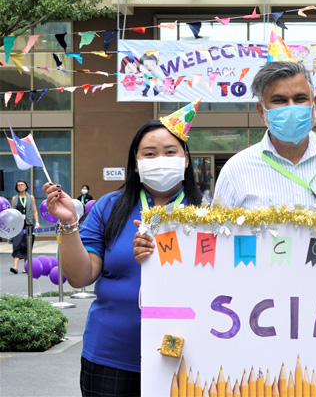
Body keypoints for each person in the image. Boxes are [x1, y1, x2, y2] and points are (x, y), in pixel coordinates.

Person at [43, 115, 202, 397]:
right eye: (149, 154)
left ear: (186, 159)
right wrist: (68, 223)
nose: (160, 159)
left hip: (190, 354)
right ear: (137, 164)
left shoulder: (211, 213)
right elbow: (80, 277)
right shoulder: (109, 206)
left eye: (170, 152)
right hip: (111, 356)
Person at [213, 61, 316, 211]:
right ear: (261, 111)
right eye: (279, 100)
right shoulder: (234, 172)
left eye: (300, 99)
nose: (291, 108)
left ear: (314, 104)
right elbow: (217, 239)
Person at [9, 179, 40, 274]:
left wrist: (37, 222)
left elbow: (34, 210)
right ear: (16, 188)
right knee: (17, 244)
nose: (20, 186)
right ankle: (15, 267)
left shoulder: (31, 197)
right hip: (18, 225)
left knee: (27, 245)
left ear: (26, 186)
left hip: (28, 223)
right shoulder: (14, 198)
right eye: (18, 185)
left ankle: (25, 267)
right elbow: (11, 212)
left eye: (22, 185)